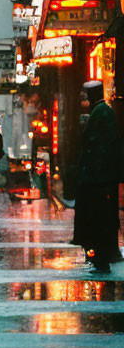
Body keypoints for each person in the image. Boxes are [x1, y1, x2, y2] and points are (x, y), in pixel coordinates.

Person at [74, 80, 121, 273]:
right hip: (99, 177)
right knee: (101, 217)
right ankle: (101, 254)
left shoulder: (101, 112)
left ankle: (103, 256)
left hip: (99, 178)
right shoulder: (101, 112)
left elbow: (98, 145)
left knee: (99, 217)